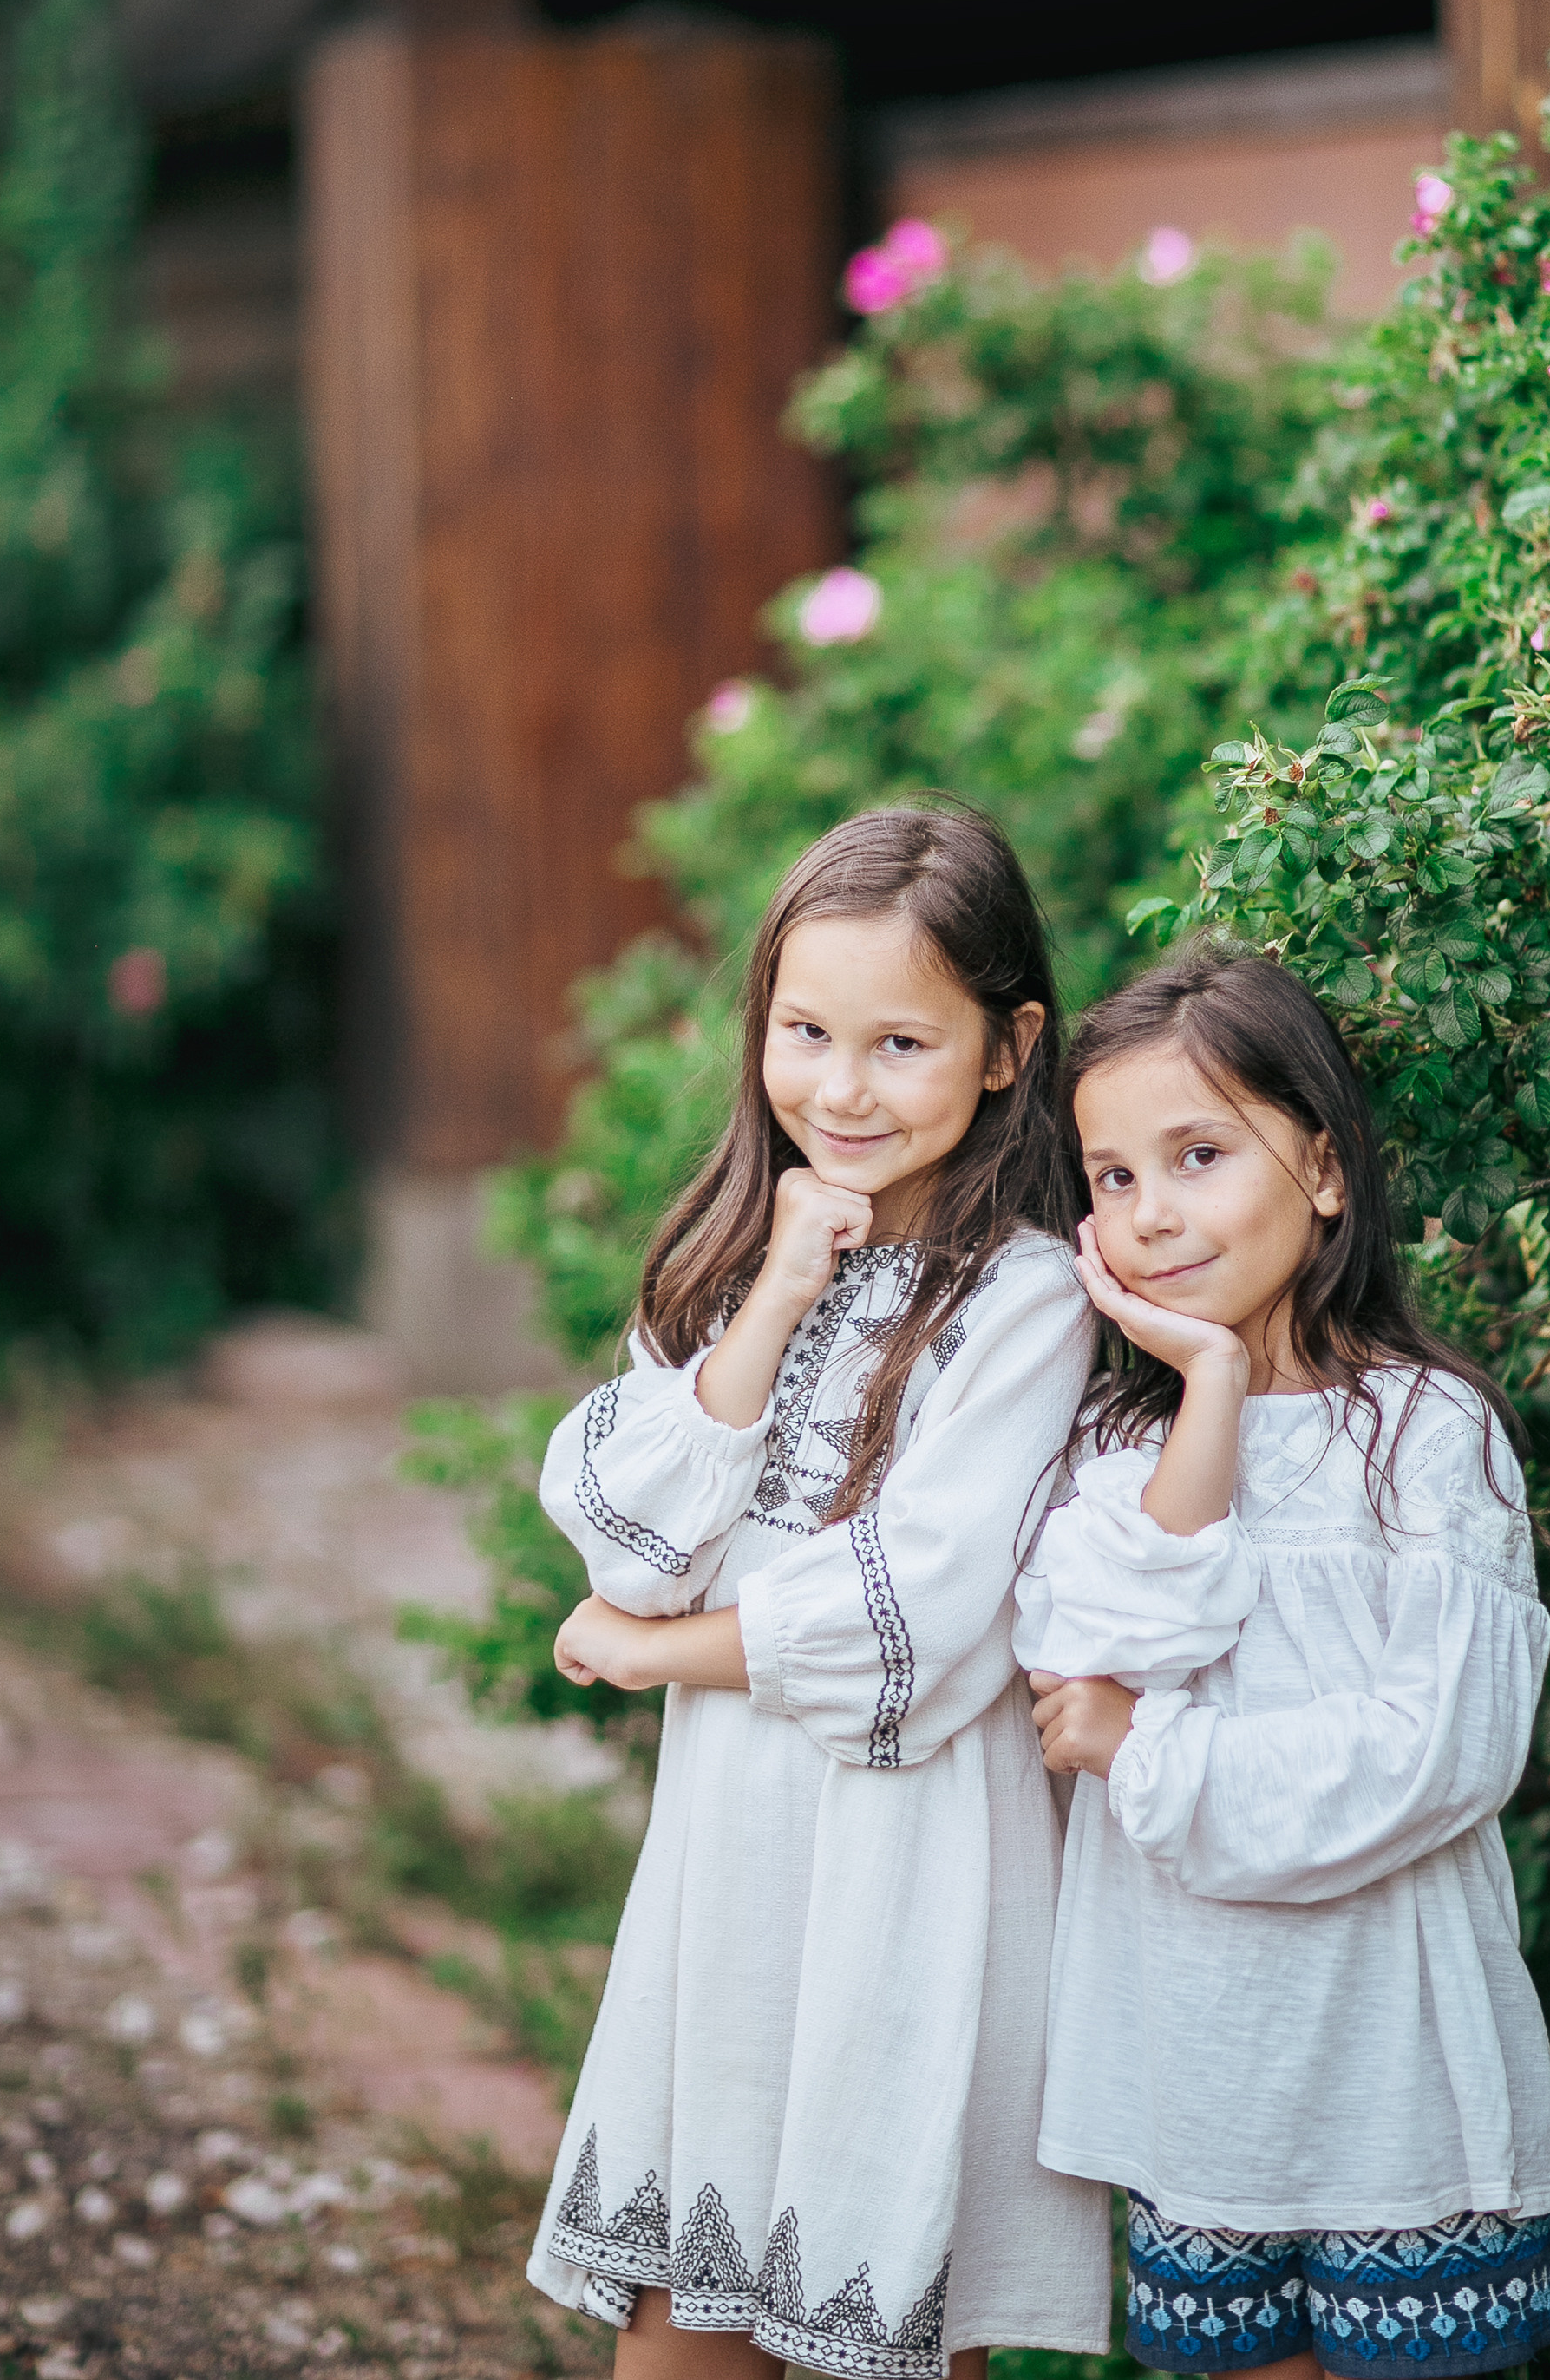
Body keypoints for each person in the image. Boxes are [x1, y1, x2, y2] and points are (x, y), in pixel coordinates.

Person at [525, 806, 1109, 2380]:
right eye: (805, 1031)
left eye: (900, 1042)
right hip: (733, 1862)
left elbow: (920, 1622)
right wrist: (781, 1290)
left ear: (1006, 1047)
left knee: (879, 2305)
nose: (839, 1089)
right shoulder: (727, 1265)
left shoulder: (1028, 1298)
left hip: (910, 1869)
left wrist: (653, 1659)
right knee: (682, 2313)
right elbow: (628, 1535)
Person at [1015, 947, 1550, 2380]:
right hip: (1191, 2076)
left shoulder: (1429, 1436)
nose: (1149, 1214)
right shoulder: (1109, 1451)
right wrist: (1202, 1384)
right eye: (1113, 1177)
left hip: (1392, 2074)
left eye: (1197, 1155)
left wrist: (1153, 1753)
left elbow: (1441, 1750)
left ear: (1323, 1169)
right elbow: (1082, 1655)